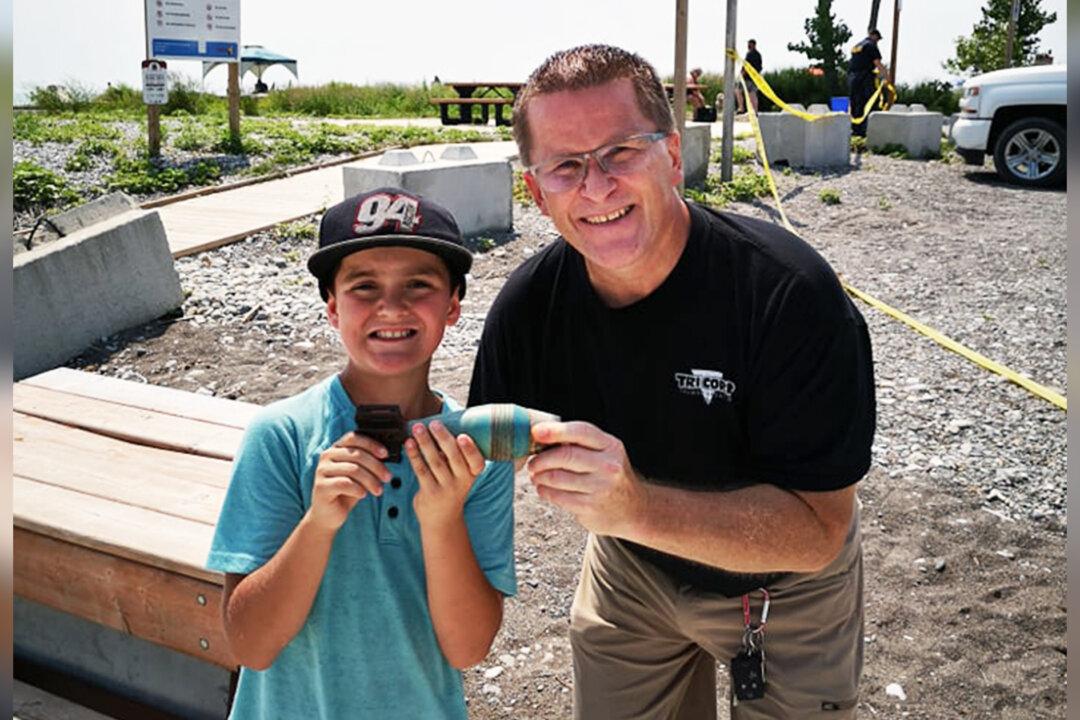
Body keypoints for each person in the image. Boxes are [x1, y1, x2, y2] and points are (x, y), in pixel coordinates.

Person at [470, 44, 874, 719]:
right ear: (536, 192)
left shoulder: (788, 295)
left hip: (787, 587)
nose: (596, 186)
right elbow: (471, 457)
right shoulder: (531, 307)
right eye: (566, 166)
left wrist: (634, 507)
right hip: (631, 569)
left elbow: (818, 532)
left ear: (674, 155)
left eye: (621, 151)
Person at [207, 188, 517, 720]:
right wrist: (319, 524)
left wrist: (442, 519)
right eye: (363, 286)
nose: (391, 307)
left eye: (418, 285)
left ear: (453, 305)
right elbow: (250, 645)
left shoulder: (476, 451)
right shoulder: (281, 436)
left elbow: (468, 649)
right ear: (331, 307)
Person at [849, 29, 886, 136]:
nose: (877, 41)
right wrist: (886, 76)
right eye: (877, 39)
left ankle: (856, 129)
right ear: (874, 36)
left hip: (852, 77)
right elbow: (877, 63)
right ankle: (868, 129)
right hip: (865, 77)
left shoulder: (857, 46)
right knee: (871, 101)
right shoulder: (871, 46)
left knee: (856, 102)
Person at [737, 39, 762, 114]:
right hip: (755, 78)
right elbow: (760, 67)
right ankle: (755, 111)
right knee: (752, 94)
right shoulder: (758, 55)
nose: (748, 46)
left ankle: (741, 108)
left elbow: (746, 66)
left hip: (747, 78)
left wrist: (741, 75)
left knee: (738, 90)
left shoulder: (750, 54)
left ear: (753, 45)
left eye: (749, 44)